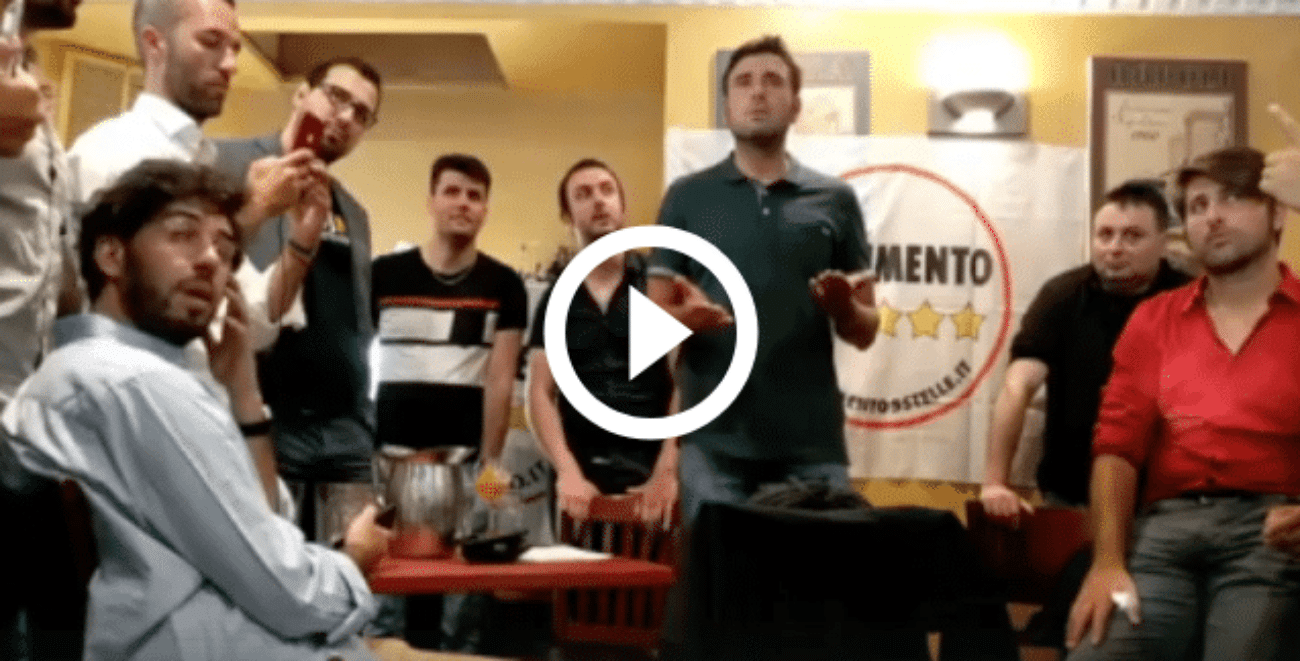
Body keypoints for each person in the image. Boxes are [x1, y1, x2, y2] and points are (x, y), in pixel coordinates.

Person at [0, 159, 390, 660]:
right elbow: (284, 589)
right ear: (112, 256)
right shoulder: (131, 382)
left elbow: (265, 524)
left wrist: (243, 392)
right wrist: (353, 563)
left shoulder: (128, 376)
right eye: (183, 235)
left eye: (225, 250)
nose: (210, 260)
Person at [1065, 146, 1300, 660]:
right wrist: (1106, 564)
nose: (1212, 216)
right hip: (1161, 538)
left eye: (1233, 198)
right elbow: (1116, 448)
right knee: (1097, 653)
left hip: (1270, 537)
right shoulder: (1154, 319)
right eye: (1197, 206)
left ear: (1279, 213)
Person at [647, 35, 878, 524]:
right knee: (721, 575)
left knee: (820, 576)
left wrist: (843, 307)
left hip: (812, 448)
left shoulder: (836, 200)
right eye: (743, 82)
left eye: (773, 81)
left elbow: (866, 330)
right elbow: (651, 323)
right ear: (727, 105)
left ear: (795, 106)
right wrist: (685, 319)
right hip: (712, 445)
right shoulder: (687, 197)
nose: (757, 92)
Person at [213, 56, 382, 538]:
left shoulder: (353, 212)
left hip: (346, 429)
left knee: (356, 564)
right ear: (301, 95)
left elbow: (358, 320)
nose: (345, 117)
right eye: (337, 97)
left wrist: (363, 416)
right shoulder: (227, 165)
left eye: (361, 114)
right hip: (266, 417)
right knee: (267, 556)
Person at [370, 154, 527, 651]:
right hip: (388, 461)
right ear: (431, 201)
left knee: (461, 612)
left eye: (475, 195)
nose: (463, 203)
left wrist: (492, 466)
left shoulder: (504, 284)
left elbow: (500, 379)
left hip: (464, 465)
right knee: (386, 606)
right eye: (452, 191)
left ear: (485, 210)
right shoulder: (383, 274)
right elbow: (355, 363)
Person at [981, 180, 1191, 518]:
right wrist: (995, 482)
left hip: (1165, 501)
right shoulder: (1062, 296)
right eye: (1105, 235)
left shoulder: (1189, 300)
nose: (1114, 248)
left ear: (1163, 244)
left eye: (1132, 236)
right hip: (1072, 493)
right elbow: (1017, 387)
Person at [527, 158, 677, 526]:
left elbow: (686, 383)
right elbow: (539, 392)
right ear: (568, 216)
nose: (598, 200)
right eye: (583, 194)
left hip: (652, 477)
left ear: (622, 207)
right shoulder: (556, 298)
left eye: (607, 191)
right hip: (580, 481)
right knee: (574, 566)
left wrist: (668, 472)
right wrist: (567, 471)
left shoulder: (658, 286)